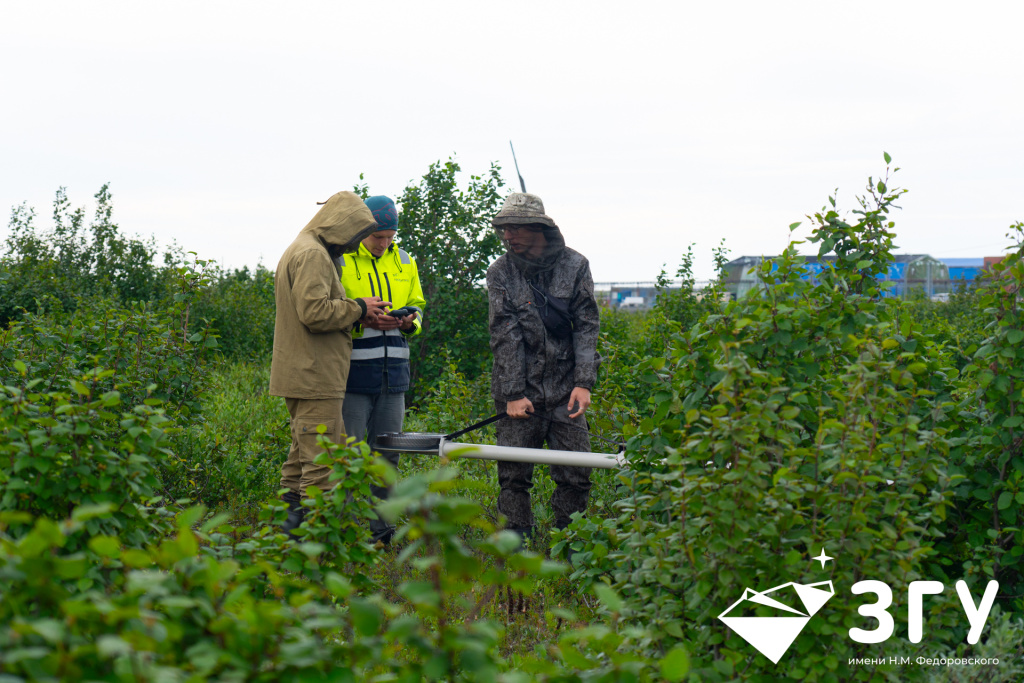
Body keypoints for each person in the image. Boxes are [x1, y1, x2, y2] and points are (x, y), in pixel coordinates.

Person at [269, 190, 390, 538]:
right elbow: (315, 312)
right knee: (322, 469)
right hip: (314, 377)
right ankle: (312, 556)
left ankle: (284, 547)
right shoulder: (313, 254)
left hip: (307, 375)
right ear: (340, 225)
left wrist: (356, 315)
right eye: (353, 236)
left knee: (298, 467)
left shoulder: (306, 247)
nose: (353, 246)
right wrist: (359, 308)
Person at [486, 192, 601, 543]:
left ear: (539, 228)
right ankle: (516, 549)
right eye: (503, 229)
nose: (508, 236)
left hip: (567, 390)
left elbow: (586, 325)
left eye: (516, 228)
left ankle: (572, 546)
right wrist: (513, 394)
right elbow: (504, 335)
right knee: (513, 475)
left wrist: (584, 382)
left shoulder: (575, 265)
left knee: (576, 472)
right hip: (519, 395)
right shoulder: (500, 272)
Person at [339, 195, 425, 544]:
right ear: (363, 229)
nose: (384, 243)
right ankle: (339, 532)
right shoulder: (340, 260)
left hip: (395, 377)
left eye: (389, 236)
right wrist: (362, 316)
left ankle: (383, 533)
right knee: (347, 453)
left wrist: (408, 323)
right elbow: (330, 311)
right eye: (378, 236)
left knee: (388, 454)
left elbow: (419, 306)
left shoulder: (405, 261)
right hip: (352, 375)